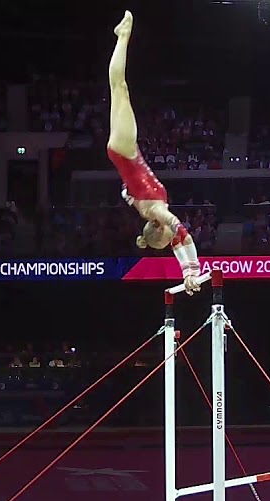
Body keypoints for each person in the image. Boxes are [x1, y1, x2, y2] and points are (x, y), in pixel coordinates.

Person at [106, 10, 203, 294]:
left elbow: (182, 234)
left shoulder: (158, 211)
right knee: (117, 89)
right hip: (121, 151)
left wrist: (191, 270)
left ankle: (123, 36)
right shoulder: (150, 212)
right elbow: (177, 239)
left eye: (166, 239)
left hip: (126, 149)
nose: (172, 240)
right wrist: (188, 271)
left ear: (160, 228)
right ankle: (121, 37)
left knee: (120, 87)